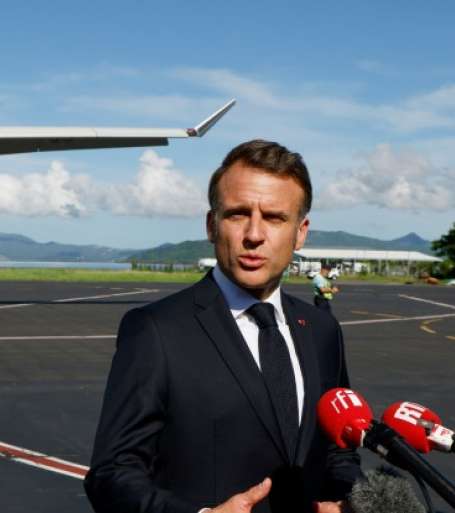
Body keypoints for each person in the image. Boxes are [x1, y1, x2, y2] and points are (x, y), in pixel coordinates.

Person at [85, 140, 362, 513]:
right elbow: (111, 474)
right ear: (212, 225)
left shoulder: (322, 329)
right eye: (237, 214)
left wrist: (346, 501)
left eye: (275, 218)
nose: (254, 235)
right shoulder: (155, 330)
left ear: (301, 233)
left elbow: (338, 448)